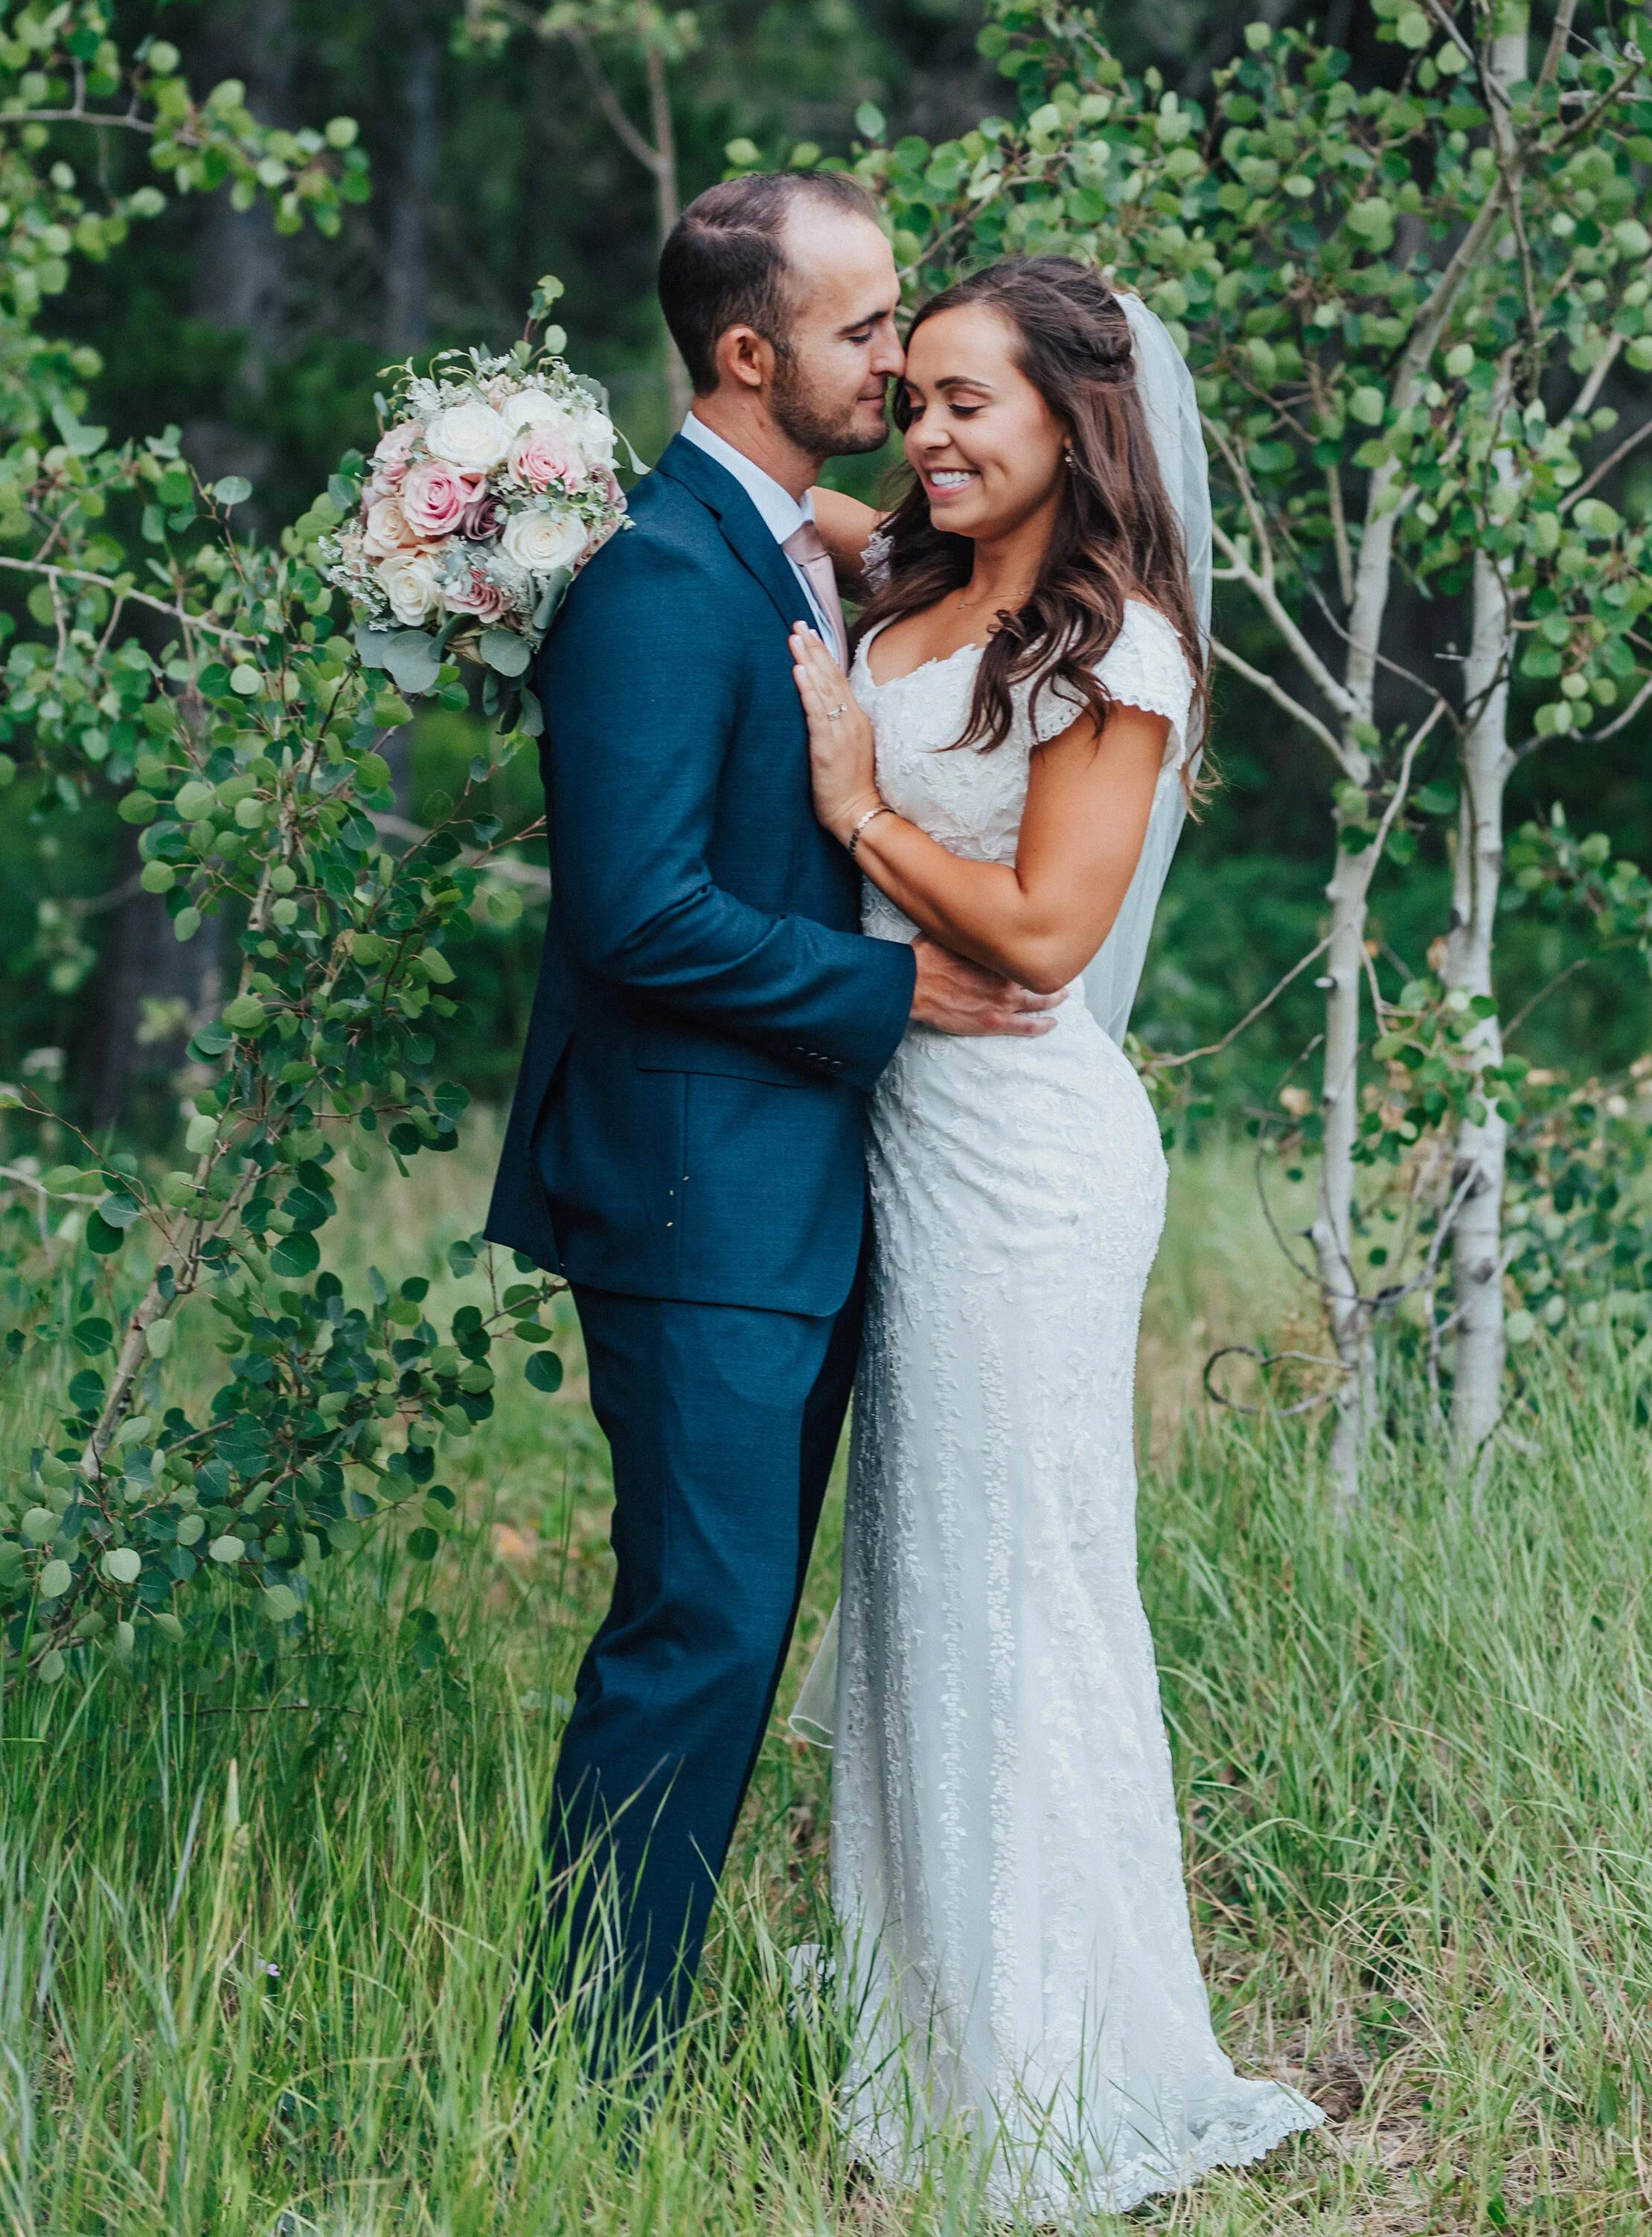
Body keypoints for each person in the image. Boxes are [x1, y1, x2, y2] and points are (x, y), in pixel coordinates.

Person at [484, 174, 1064, 2055]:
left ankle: (629, 2020)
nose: (897, 360)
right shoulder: (659, 580)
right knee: (704, 1631)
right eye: (864, 329)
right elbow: (637, 911)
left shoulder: (786, 540)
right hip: (693, 1195)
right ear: (749, 354)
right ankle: (595, 2060)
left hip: (792, 1190)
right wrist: (898, 993)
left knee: (736, 1624)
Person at [787, 254, 1322, 2213]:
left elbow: (1041, 936)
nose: (924, 431)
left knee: (1022, 1580)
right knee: (922, 1571)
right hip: (901, 1139)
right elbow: (793, 506)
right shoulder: (913, 583)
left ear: (1071, 421)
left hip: (1022, 1160)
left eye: (967, 402)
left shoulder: (1120, 648)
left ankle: (1057, 2061)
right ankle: (932, 2010)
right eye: (913, 394)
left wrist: (858, 803)